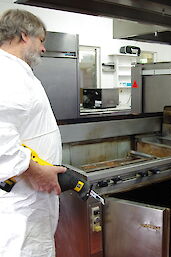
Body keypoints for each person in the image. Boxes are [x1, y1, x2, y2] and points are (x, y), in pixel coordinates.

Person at [0, 9, 66, 257]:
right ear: (24, 36)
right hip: (19, 201)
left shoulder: (17, 71)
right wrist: (36, 171)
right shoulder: (6, 73)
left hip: (29, 197)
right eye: (41, 40)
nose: (43, 48)